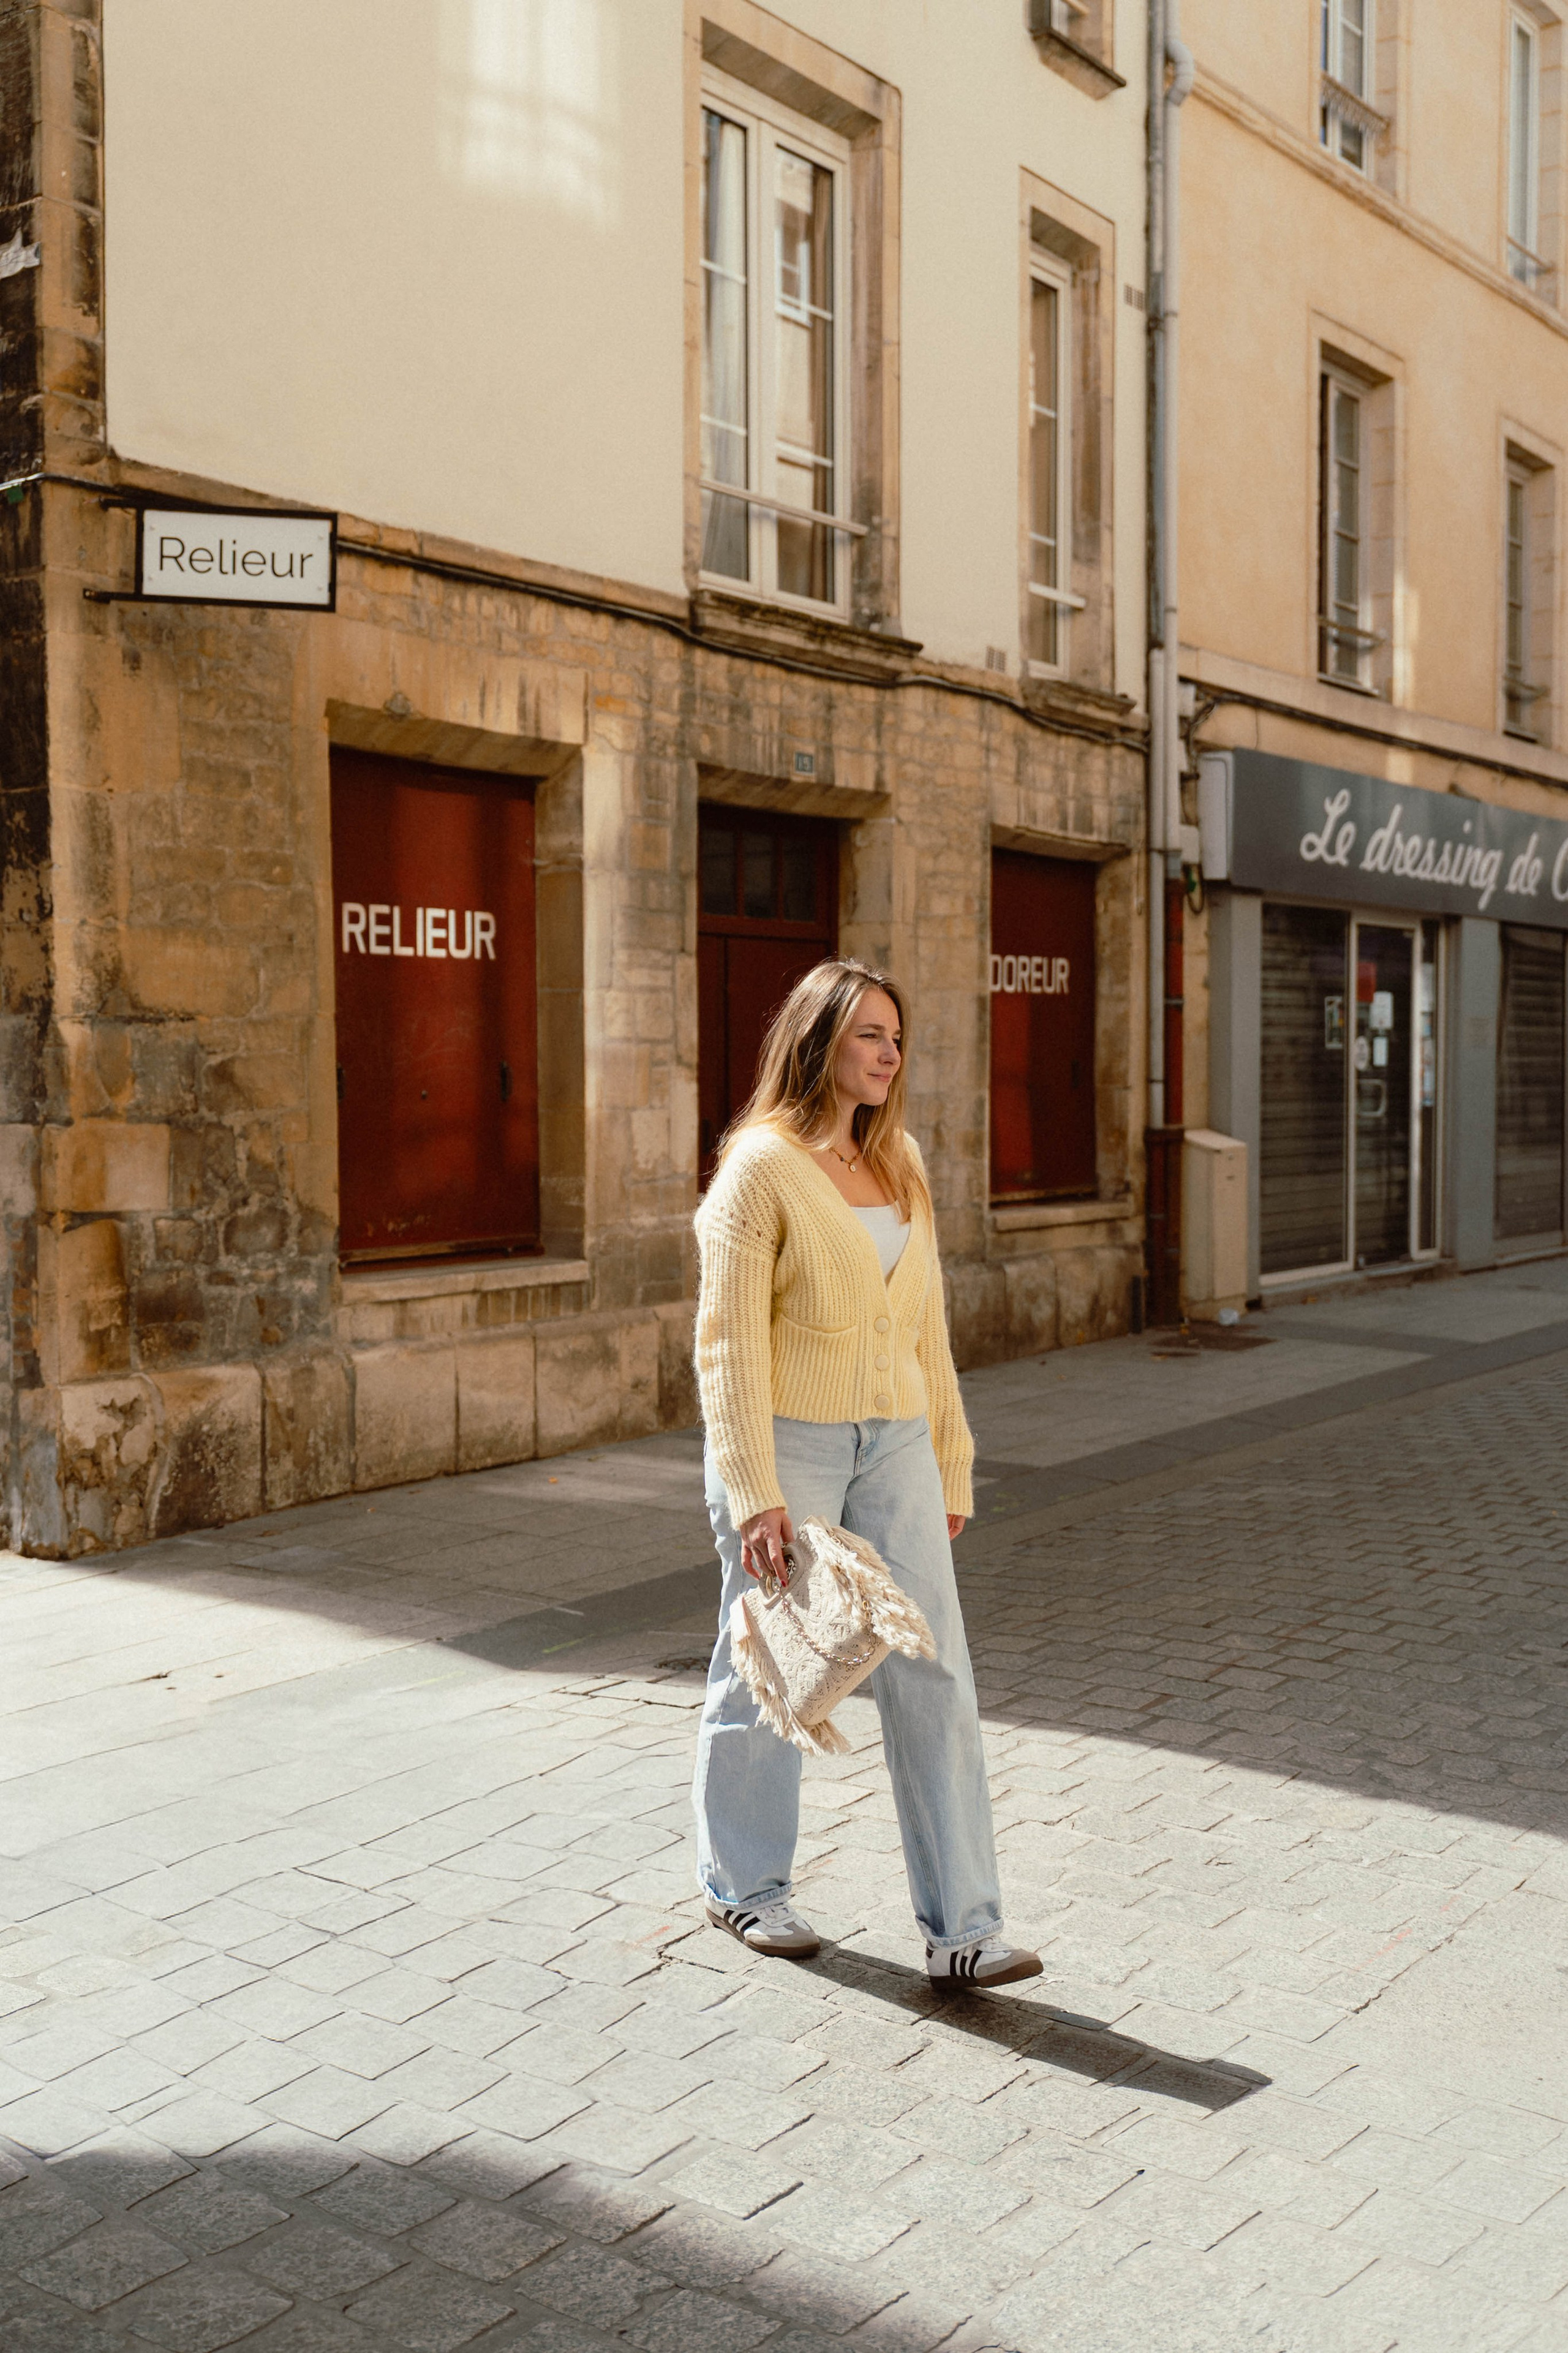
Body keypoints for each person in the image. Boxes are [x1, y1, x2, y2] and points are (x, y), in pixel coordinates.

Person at [690, 957, 1042, 1989]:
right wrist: (754, 1486)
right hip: (788, 1438)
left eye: (897, 1038)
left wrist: (951, 1459)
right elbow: (727, 1344)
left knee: (933, 1666)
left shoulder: (903, 1164)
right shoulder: (758, 1167)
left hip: (895, 1441)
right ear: (819, 1042)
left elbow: (926, 1328)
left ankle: (964, 1928)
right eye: (869, 1035)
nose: (889, 1055)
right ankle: (745, 1886)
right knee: (770, 1661)